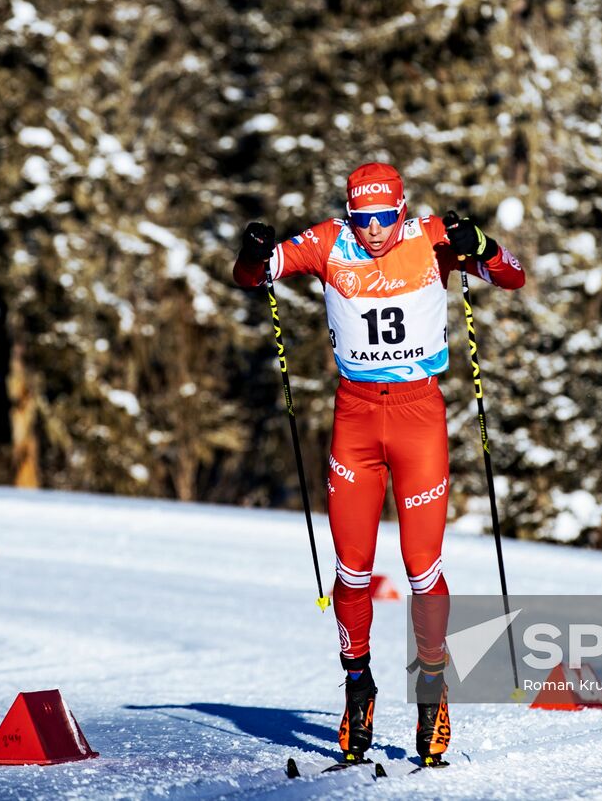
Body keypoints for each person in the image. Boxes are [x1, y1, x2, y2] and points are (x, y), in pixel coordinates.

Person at [232, 161, 526, 766]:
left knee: (422, 568)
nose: (372, 231)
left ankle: (431, 692)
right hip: (356, 421)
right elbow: (251, 278)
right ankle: (357, 685)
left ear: (401, 208)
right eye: (362, 218)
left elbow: (512, 277)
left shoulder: (430, 238)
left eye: (383, 218)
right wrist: (253, 252)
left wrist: (485, 246)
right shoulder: (326, 242)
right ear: (349, 212)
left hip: (418, 418)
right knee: (353, 569)